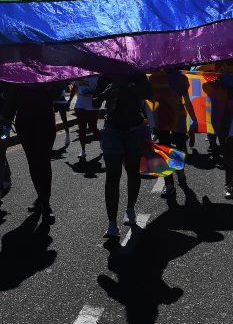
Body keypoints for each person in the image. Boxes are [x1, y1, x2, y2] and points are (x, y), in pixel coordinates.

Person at [95, 74, 153, 238]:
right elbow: (95, 102)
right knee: (112, 174)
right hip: (112, 130)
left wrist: (137, 90)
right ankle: (112, 223)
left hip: (135, 129)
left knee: (133, 171)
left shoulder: (137, 72)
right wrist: (103, 96)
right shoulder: (105, 75)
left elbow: (150, 95)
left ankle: (130, 209)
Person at [0, 83, 59, 223]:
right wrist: (4, 120)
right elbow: (11, 100)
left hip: (45, 122)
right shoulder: (19, 72)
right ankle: (41, 198)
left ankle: (45, 204)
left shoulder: (48, 71)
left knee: (44, 162)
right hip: (25, 124)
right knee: (33, 162)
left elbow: (57, 94)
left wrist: (50, 86)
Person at [202, 60, 233, 199]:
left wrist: (225, 87)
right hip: (218, 107)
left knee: (231, 145)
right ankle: (231, 172)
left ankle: (228, 183)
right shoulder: (216, 65)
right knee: (224, 146)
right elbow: (198, 70)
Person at [149, 68, 199, 198]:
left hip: (169, 118)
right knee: (168, 150)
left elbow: (186, 100)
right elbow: (150, 100)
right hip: (168, 118)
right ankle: (171, 182)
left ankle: (177, 175)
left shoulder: (157, 77)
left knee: (173, 149)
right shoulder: (156, 77)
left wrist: (194, 118)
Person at [69, 75, 101, 160]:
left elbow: (101, 91)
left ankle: (102, 142)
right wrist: (69, 101)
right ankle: (83, 151)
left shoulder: (96, 77)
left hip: (93, 106)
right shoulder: (78, 76)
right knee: (82, 128)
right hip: (80, 105)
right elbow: (74, 89)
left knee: (93, 127)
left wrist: (91, 93)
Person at [52, 82, 72, 147]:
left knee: (64, 118)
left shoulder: (60, 76)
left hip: (60, 99)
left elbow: (67, 87)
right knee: (52, 120)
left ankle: (67, 135)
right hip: (52, 99)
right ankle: (52, 137)